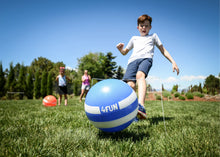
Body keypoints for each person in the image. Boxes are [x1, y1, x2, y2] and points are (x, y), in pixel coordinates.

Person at [116, 14, 179, 120]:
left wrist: (173, 62)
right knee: (130, 85)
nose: (144, 28)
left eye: (146, 26)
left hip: (146, 59)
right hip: (132, 62)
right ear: (138, 27)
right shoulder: (134, 38)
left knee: (140, 75)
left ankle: (141, 106)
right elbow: (124, 52)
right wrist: (120, 49)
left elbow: (163, 50)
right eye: (141, 26)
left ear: (150, 27)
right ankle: (133, 113)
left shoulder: (153, 36)